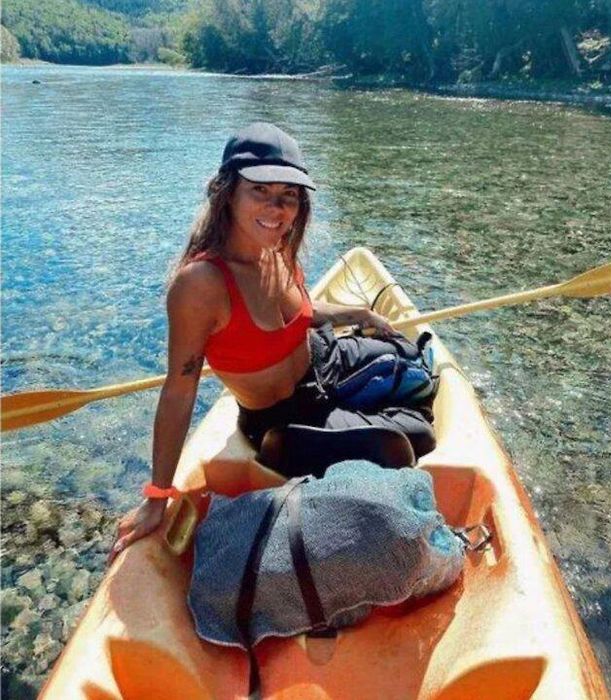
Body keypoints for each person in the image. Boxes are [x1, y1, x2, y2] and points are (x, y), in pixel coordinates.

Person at [110, 122, 436, 562]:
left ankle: (370, 395)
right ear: (226, 192)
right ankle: (364, 410)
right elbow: (179, 390)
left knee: (409, 360)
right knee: (415, 438)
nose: (277, 209)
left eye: (289, 196)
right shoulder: (202, 285)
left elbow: (302, 313)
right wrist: (157, 495)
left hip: (326, 360)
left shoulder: (274, 247)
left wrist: (359, 314)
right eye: (261, 191)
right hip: (283, 418)